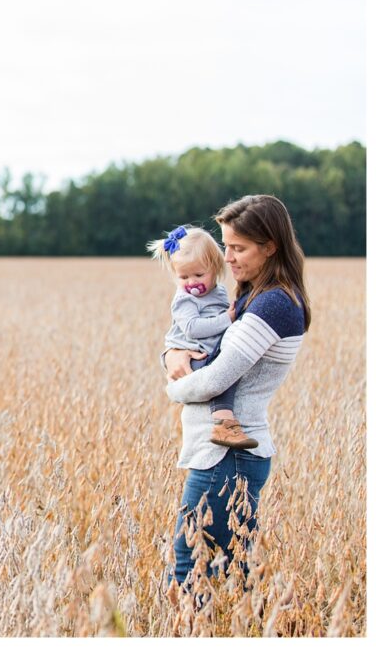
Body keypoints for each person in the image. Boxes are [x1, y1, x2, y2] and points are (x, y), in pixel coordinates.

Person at [162, 195, 310, 591]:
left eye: (238, 248)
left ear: (270, 246)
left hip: (227, 456)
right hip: (225, 453)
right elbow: (199, 350)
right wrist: (172, 353)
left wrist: (174, 384)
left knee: (189, 566)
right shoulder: (252, 298)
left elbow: (214, 378)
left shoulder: (273, 304)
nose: (227, 257)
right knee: (232, 570)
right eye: (225, 246)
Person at [147, 225, 256, 449]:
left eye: (198, 274)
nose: (191, 282)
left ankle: (224, 421)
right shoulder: (184, 299)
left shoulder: (218, 291)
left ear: (215, 269)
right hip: (193, 354)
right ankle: (223, 422)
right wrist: (228, 319)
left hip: (206, 349)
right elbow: (193, 328)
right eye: (183, 276)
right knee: (223, 372)